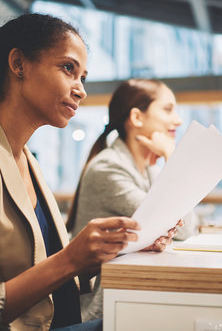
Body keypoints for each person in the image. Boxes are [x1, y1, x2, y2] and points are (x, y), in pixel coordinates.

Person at [0, 14, 175, 331]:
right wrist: (69, 259)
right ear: (19, 64)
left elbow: (49, 273)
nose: (81, 90)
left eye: (83, 78)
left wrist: (122, 246)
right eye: (68, 69)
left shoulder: (27, 161)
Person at [66, 79, 195, 322]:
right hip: (100, 310)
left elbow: (185, 226)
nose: (177, 120)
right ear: (136, 118)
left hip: (127, 295)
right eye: (168, 109)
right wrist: (171, 154)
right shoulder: (108, 168)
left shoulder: (147, 169)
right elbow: (184, 228)